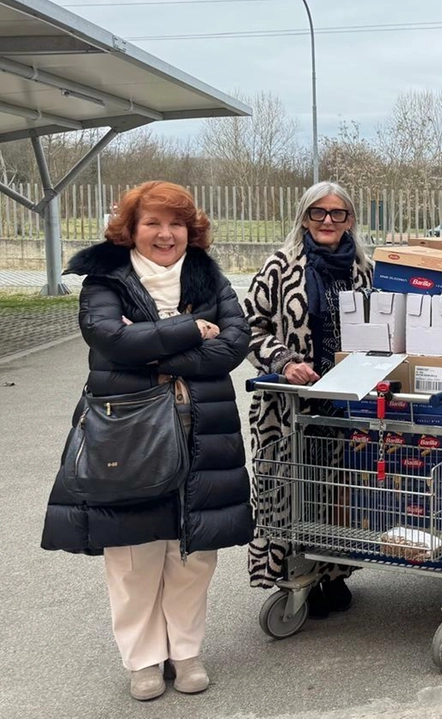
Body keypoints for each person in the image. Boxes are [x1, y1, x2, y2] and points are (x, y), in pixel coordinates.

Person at [41, 181, 252, 700]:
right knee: (133, 551)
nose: (166, 233)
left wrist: (152, 343)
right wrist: (189, 329)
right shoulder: (105, 280)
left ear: (190, 230)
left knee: (193, 552)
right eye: (153, 223)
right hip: (128, 431)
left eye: (176, 223)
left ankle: (186, 651)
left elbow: (233, 345)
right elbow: (110, 340)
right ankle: (142, 660)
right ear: (131, 229)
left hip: (204, 428)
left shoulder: (209, 276)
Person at [243, 181, 372, 616]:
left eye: (338, 213)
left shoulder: (363, 268)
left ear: (350, 220)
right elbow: (249, 328)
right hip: (289, 406)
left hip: (345, 405)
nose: (328, 221)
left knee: (338, 493)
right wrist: (283, 361)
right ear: (304, 217)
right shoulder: (280, 267)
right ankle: (294, 572)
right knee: (292, 493)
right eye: (319, 212)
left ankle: (333, 574)